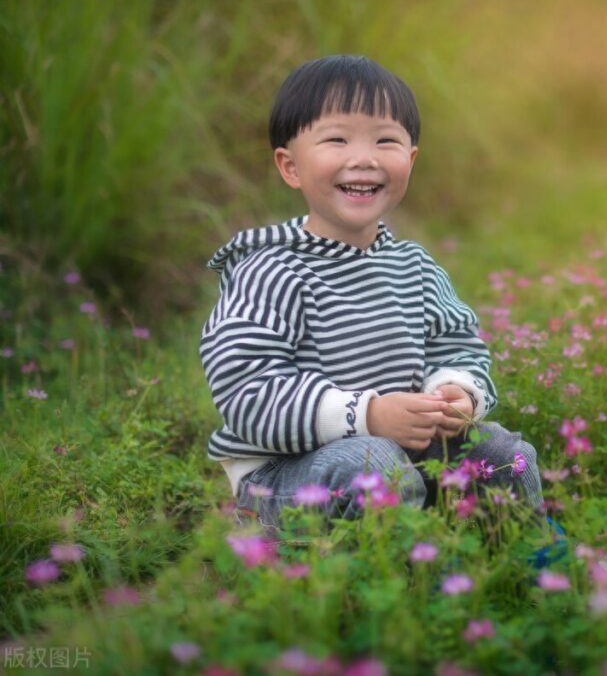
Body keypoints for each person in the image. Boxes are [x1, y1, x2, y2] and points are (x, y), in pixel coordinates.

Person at [198, 56, 563, 563]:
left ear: (410, 161)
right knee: (375, 465)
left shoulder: (413, 265)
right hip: (290, 475)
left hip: (408, 452)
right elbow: (247, 392)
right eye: (337, 140)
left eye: (385, 141)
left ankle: (530, 565)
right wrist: (367, 414)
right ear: (290, 166)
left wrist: (453, 393)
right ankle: (414, 585)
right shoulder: (271, 271)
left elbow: (456, 343)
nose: (364, 158)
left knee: (507, 455)